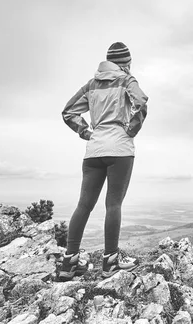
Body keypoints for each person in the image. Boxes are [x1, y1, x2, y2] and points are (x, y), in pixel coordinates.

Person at [59, 41, 148, 281]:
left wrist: (86, 132)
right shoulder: (127, 81)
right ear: (125, 63)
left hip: (94, 150)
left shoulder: (91, 85)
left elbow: (68, 112)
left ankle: (69, 263)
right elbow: (141, 103)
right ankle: (110, 262)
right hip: (119, 149)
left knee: (83, 205)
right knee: (113, 205)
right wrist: (130, 129)